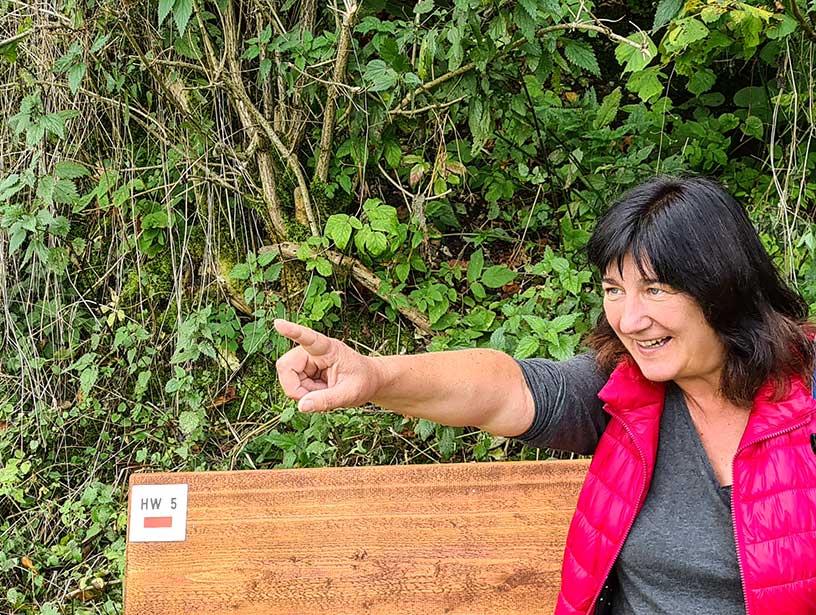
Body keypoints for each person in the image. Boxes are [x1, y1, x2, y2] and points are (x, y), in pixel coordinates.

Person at [272, 176, 816, 615]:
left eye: (655, 289)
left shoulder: (805, 397)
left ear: (721, 287)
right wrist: (375, 376)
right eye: (613, 289)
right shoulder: (624, 394)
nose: (629, 319)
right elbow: (503, 389)